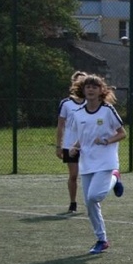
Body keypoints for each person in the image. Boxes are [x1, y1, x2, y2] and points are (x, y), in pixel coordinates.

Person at [68, 74, 126, 255]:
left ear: (101, 90)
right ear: (83, 90)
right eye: (88, 87)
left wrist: (107, 141)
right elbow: (83, 136)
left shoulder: (107, 110)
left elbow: (122, 133)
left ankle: (115, 177)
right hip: (87, 163)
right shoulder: (78, 113)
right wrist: (75, 147)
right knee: (90, 203)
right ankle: (102, 239)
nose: (91, 89)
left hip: (106, 161)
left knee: (94, 196)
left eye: (94, 86)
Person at [56, 71, 87, 213]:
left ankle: (91, 201)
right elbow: (60, 125)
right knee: (73, 175)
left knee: (89, 174)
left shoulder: (92, 102)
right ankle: (73, 202)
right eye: (79, 82)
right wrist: (59, 146)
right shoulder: (66, 103)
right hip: (70, 145)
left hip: (87, 145)